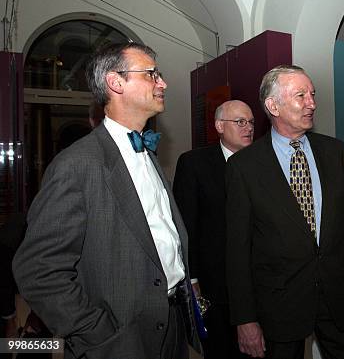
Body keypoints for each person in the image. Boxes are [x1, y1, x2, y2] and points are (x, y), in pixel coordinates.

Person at [12, 42, 202, 359]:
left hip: (171, 324)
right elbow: (39, 271)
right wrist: (99, 334)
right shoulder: (76, 165)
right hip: (119, 337)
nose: (163, 83)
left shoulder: (146, 153)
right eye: (152, 74)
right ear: (116, 83)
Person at [225, 65, 344, 359]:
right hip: (279, 305)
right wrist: (245, 319)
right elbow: (237, 250)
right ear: (273, 106)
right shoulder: (244, 167)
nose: (312, 103)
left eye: (312, 94)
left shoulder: (335, 152)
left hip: (336, 297)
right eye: (301, 96)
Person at [173, 99, 254, 359]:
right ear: (219, 126)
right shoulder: (194, 163)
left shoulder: (263, 163)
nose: (248, 128)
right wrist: (192, 278)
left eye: (251, 122)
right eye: (240, 122)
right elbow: (186, 224)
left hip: (258, 282)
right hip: (214, 285)